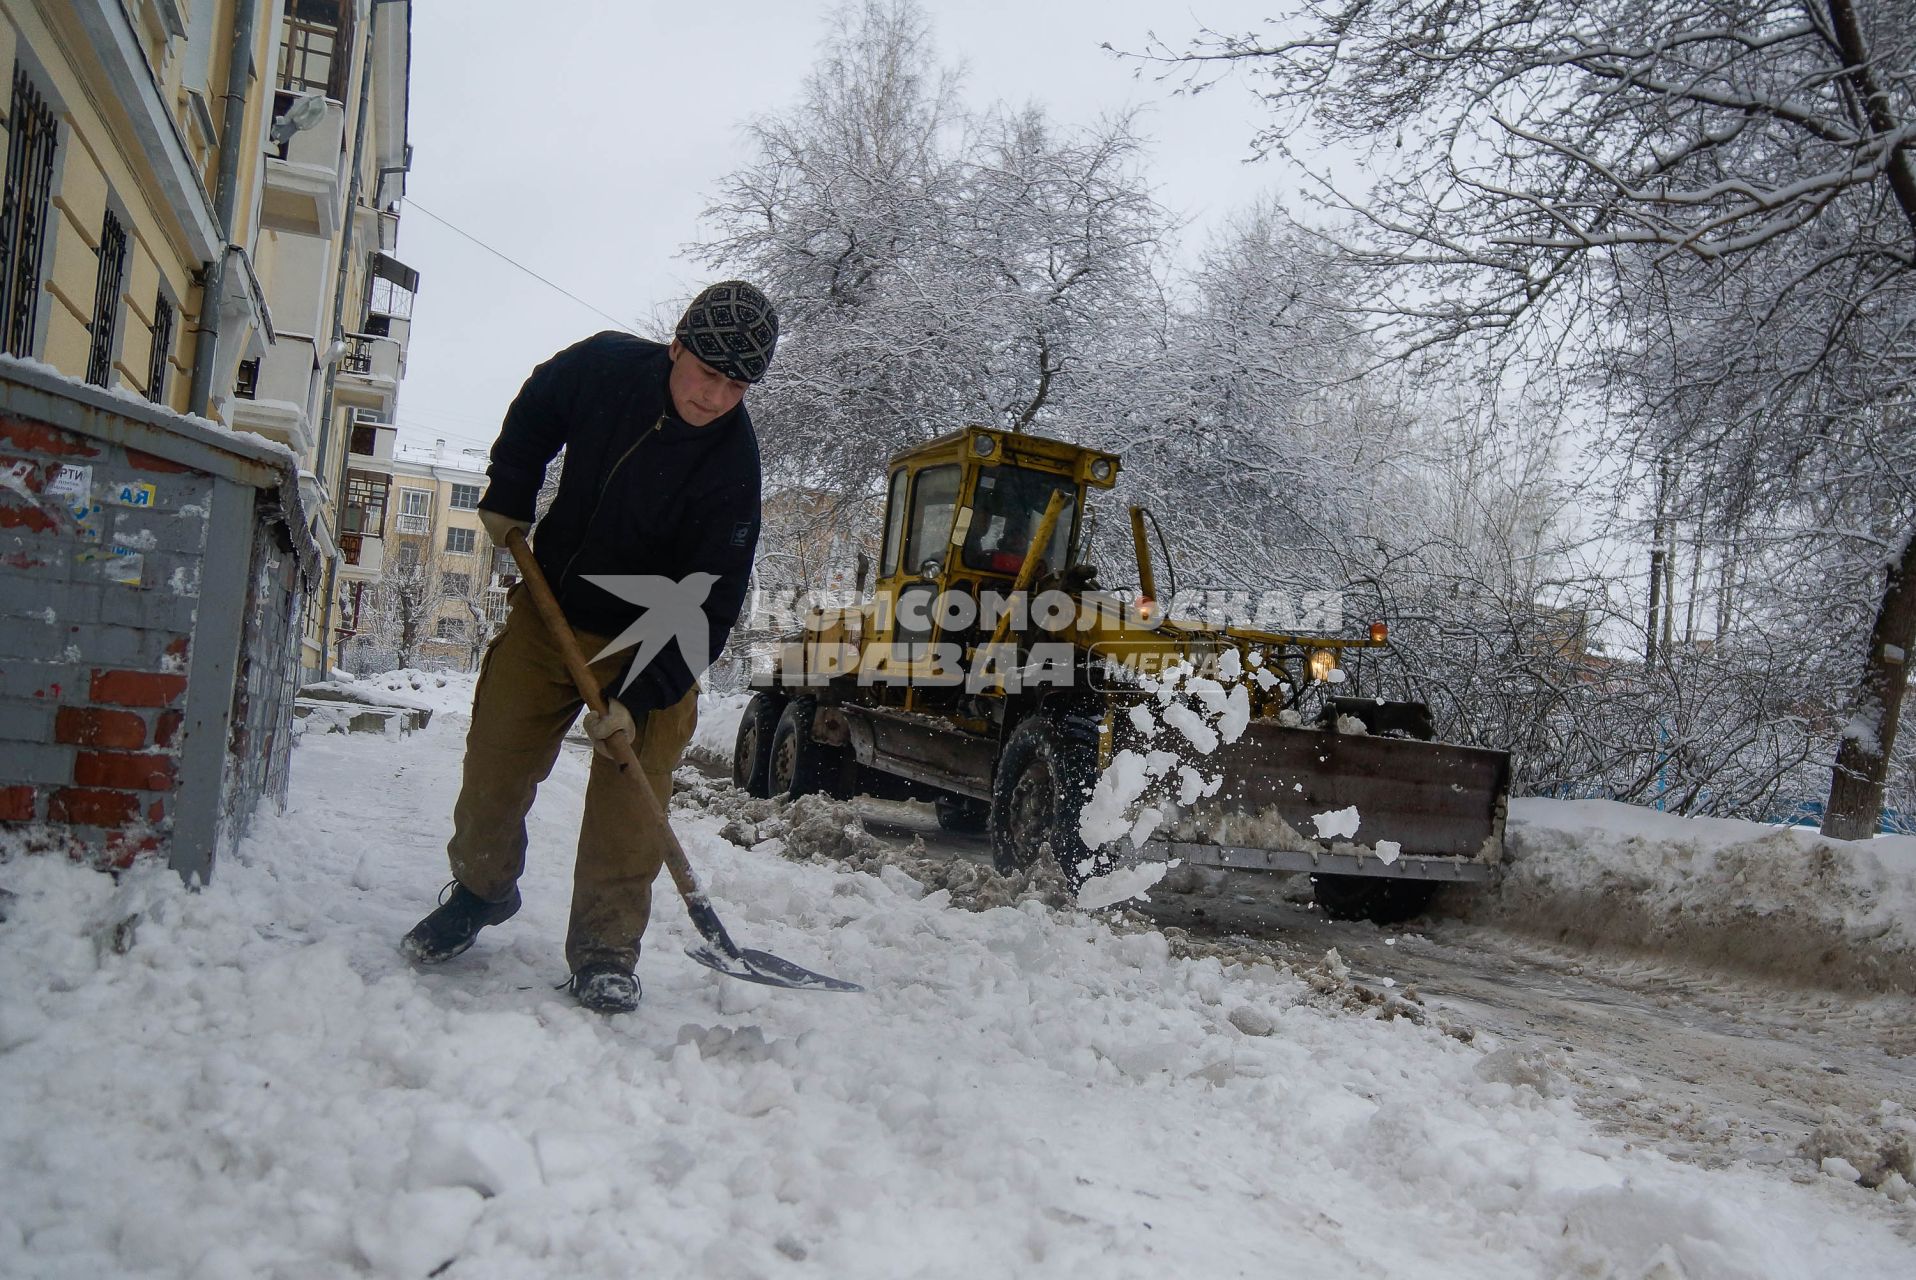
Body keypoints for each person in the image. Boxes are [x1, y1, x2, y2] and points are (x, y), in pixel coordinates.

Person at [399, 281, 778, 1014]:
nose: (717, 397)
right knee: (493, 766)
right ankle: (482, 890)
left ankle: (606, 948)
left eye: (737, 386)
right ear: (677, 346)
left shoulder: (734, 464)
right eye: (708, 374)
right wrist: (511, 485)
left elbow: (715, 599)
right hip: (554, 610)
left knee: (631, 804)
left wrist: (640, 698)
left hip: (653, 641)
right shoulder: (605, 369)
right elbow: (541, 404)